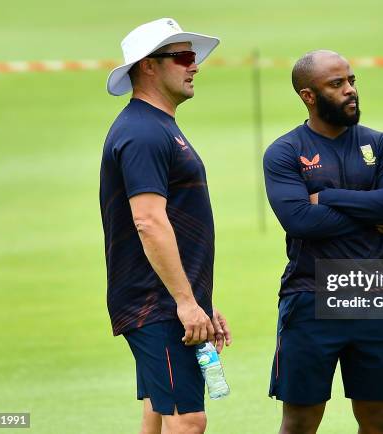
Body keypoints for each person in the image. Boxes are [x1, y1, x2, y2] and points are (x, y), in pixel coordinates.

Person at [263, 50, 383, 434]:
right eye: (337, 84)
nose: (350, 91)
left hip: (372, 296)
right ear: (308, 96)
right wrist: (371, 213)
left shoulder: (380, 144)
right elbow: (299, 220)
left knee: (380, 420)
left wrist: (327, 198)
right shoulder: (285, 152)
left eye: (351, 81)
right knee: (300, 421)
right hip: (310, 298)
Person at [99, 18, 231, 434]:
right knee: (188, 420)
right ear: (148, 66)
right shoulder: (143, 133)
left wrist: (198, 299)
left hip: (165, 299)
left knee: (158, 410)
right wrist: (186, 303)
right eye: (183, 57)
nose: (194, 66)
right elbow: (149, 221)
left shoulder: (157, 126)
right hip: (155, 303)